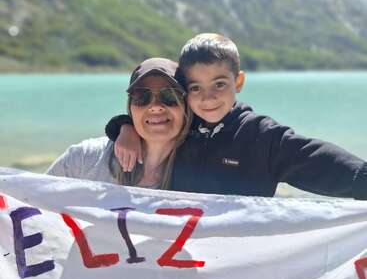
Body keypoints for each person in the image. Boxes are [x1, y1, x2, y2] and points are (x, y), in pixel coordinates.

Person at [105, 33, 367, 199]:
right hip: (184, 264)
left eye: (219, 84)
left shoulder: (261, 137)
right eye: (195, 88)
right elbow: (150, 121)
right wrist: (125, 128)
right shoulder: (185, 127)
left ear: (238, 82)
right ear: (185, 90)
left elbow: (315, 160)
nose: (207, 98)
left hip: (237, 267)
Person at [47, 58, 192, 190]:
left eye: (169, 95)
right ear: (130, 107)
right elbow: (35, 204)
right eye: (142, 96)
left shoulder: (201, 172)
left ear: (186, 105)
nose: (155, 106)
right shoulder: (84, 159)